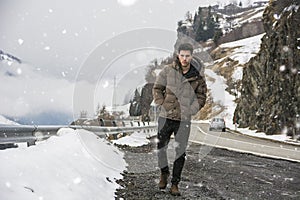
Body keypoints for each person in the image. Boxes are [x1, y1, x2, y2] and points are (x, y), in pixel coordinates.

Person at [152, 43, 207, 196]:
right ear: (178, 55)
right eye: (182, 55)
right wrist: (162, 104)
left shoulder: (197, 76)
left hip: (183, 120)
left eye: (187, 56)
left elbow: (201, 97)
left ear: (191, 56)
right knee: (160, 148)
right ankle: (164, 173)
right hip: (165, 117)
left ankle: (175, 183)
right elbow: (157, 88)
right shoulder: (168, 71)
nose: (184, 58)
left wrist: (191, 110)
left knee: (180, 152)